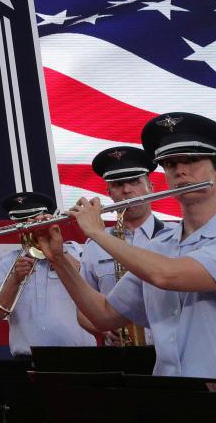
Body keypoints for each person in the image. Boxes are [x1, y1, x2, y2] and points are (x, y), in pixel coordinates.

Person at [33, 112, 216, 418]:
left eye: (192, 160)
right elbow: (103, 316)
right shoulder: (161, 245)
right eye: (171, 164)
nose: (180, 170)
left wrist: (95, 232)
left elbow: (169, 275)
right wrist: (59, 259)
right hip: (175, 400)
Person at [0, 191, 94, 357]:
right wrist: (14, 279)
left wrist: (58, 254)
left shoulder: (78, 251)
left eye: (34, 220)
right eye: (22, 222)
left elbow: (94, 290)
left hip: (80, 357)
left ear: (49, 219)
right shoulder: (6, 261)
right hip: (28, 360)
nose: (29, 227)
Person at [78, 147, 169, 343]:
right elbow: (83, 311)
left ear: (150, 187)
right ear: (109, 192)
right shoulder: (94, 245)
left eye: (135, 182)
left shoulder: (174, 235)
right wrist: (103, 328)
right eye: (118, 184)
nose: (127, 190)